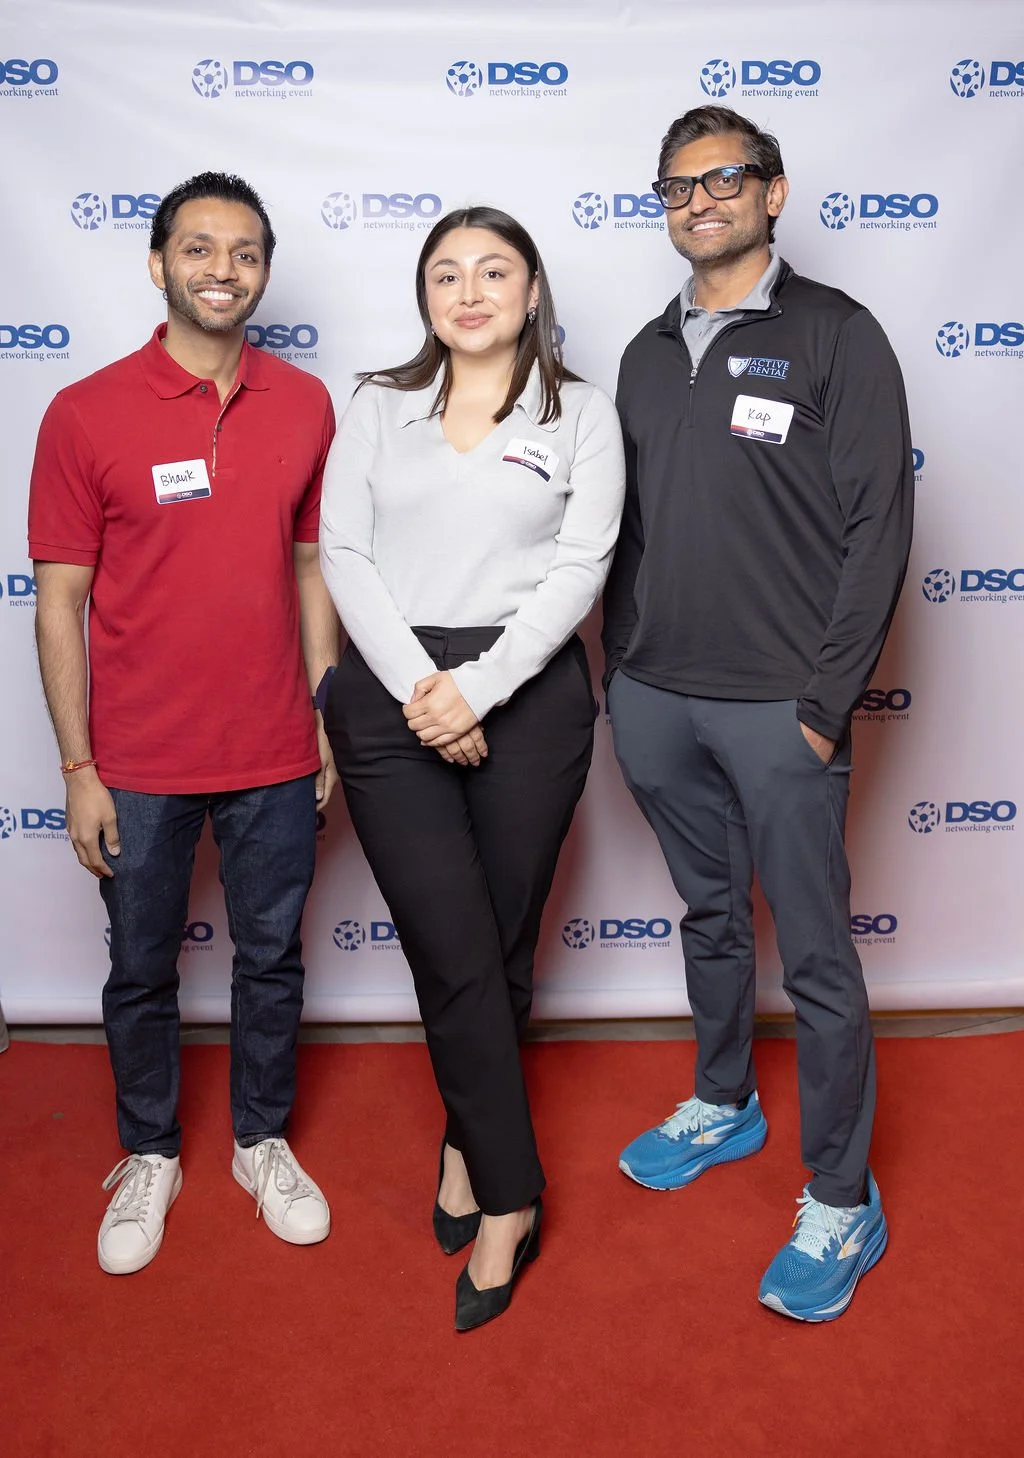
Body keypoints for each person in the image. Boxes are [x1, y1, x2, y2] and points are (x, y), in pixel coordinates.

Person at [603, 105, 913, 1322]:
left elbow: (877, 527)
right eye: (677, 185)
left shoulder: (837, 334)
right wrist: (621, 673)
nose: (700, 199)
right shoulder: (637, 352)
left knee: (820, 956)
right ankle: (723, 1102)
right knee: (707, 914)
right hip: (654, 697)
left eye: (724, 178)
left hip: (781, 710)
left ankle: (842, 1194)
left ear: (772, 194)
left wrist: (825, 705)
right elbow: (611, 534)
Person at [319, 205, 625, 1331]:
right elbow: (342, 551)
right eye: (446, 273)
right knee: (450, 947)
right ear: (425, 298)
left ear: (533, 290)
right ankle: (511, 1194)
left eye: (494, 270)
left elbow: (581, 564)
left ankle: (462, 1141)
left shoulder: (582, 412)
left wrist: (479, 689)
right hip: (393, 686)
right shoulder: (378, 406)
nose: (470, 290)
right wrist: (419, 692)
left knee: (496, 941)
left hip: (529, 692)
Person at [28, 172, 338, 1275]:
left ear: (264, 270)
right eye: (199, 249)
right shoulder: (83, 412)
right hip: (139, 760)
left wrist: (323, 716)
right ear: (157, 265)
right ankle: (150, 1150)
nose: (223, 269)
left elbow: (309, 569)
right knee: (141, 966)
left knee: (271, 959)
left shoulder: (306, 404)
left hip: (270, 748)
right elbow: (58, 601)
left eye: (244, 252)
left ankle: (261, 1139)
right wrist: (78, 766)